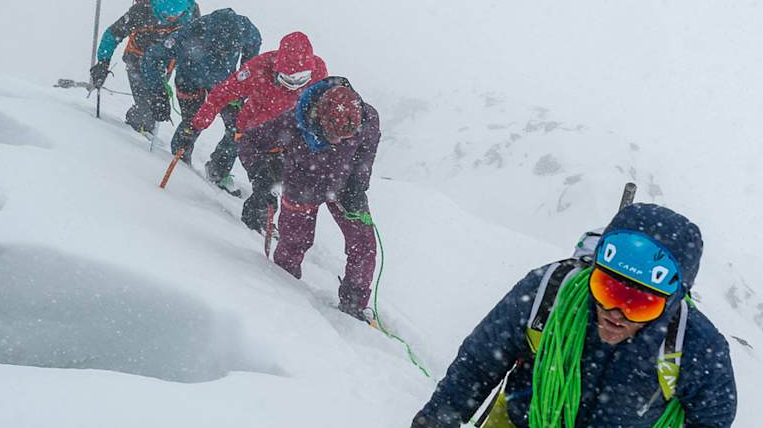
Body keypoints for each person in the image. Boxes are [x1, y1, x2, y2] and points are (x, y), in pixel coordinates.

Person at [411, 203, 737, 428]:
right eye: (607, 289)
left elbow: (713, 418)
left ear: (672, 301)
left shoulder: (694, 343)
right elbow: (480, 362)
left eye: (640, 303)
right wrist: (438, 418)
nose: (615, 313)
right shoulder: (547, 293)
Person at [238, 77, 380, 321]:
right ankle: (285, 294)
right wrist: (260, 176)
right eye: (333, 134)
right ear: (320, 116)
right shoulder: (295, 120)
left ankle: (353, 305)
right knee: (294, 244)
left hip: (345, 188)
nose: (339, 142)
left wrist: (358, 185)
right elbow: (249, 142)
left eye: (346, 137)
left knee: (364, 247)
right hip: (301, 185)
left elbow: (367, 152)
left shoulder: (367, 119)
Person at [188, 31, 328, 231]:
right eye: (288, 79)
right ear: (278, 68)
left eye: (301, 80)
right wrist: (198, 123)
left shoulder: (320, 70)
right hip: (252, 130)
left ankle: (258, 219)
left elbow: (320, 105)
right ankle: (217, 172)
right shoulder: (258, 68)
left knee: (269, 182)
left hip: (287, 137)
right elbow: (224, 91)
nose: (294, 86)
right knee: (231, 146)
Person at [138, 8, 261, 188]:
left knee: (238, 129)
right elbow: (152, 58)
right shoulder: (188, 33)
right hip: (189, 80)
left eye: (228, 50)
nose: (222, 53)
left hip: (226, 85)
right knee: (191, 122)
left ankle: (218, 171)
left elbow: (253, 47)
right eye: (217, 48)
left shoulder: (246, 29)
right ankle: (180, 162)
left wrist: (244, 78)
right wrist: (158, 92)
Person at [89, 0, 199, 132]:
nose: (171, 19)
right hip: (137, 59)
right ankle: (136, 126)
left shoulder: (191, 13)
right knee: (147, 107)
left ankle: (141, 125)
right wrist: (103, 62)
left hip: (165, 63)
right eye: (167, 15)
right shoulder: (141, 12)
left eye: (176, 15)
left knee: (155, 104)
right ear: (156, 5)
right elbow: (113, 34)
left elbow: (194, 43)